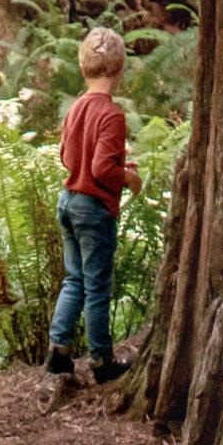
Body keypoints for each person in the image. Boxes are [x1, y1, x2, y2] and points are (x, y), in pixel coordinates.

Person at [44, 24, 139, 383]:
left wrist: (105, 166)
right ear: (119, 70)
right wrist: (127, 177)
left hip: (68, 201)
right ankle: (101, 360)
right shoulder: (111, 115)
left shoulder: (76, 108)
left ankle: (59, 351)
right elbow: (102, 168)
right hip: (93, 209)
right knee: (98, 285)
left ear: (84, 68)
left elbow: (67, 156)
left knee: (75, 280)